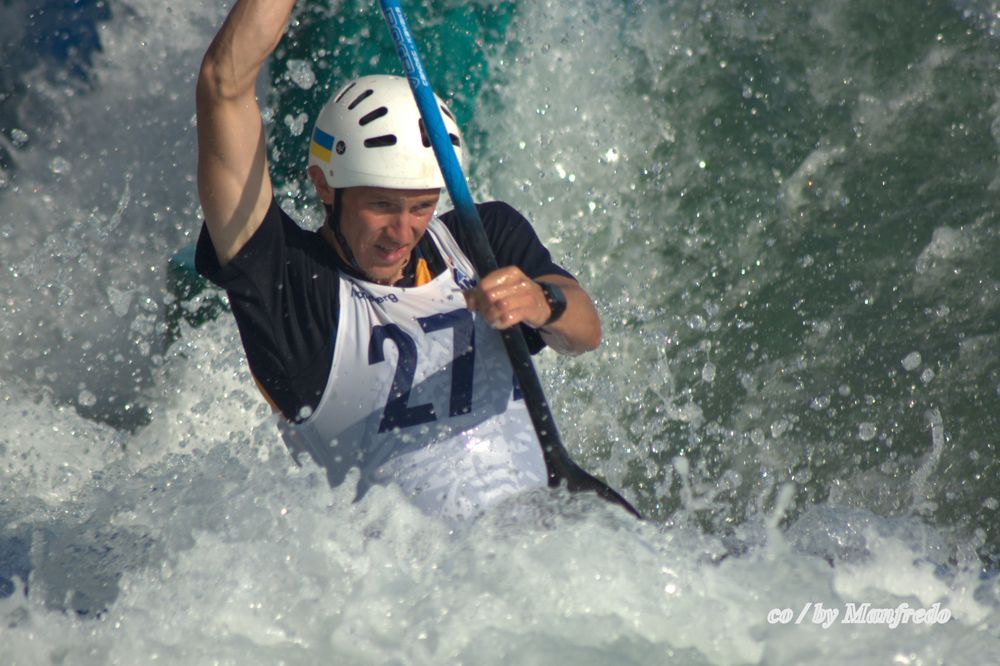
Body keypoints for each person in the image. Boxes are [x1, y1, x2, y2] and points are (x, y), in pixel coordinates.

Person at [194, 0, 604, 520]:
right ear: (324, 185)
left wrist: (543, 303)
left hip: (536, 535)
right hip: (411, 586)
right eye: (382, 205)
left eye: (421, 206)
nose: (403, 231)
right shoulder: (292, 286)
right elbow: (223, 85)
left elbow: (585, 332)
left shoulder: (484, 238)